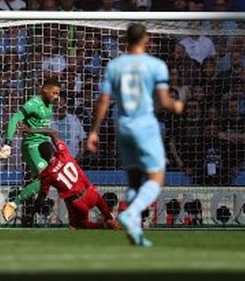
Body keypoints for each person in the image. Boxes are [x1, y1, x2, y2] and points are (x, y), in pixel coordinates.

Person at [86, 24, 184, 246]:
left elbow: (103, 100)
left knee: (133, 181)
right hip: (145, 125)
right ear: (146, 39)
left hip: (123, 126)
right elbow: (163, 100)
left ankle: (135, 234)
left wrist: (93, 131)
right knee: (156, 179)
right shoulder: (156, 65)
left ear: (125, 40)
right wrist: (176, 105)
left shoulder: (115, 65)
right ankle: (132, 213)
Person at [0, 77, 61, 221]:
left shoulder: (49, 104)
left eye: (58, 94)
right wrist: (8, 143)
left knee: (53, 178)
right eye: (54, 93)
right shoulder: (33, 103)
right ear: (45, 89)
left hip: (45, 145)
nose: (56, 97)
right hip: (32, 146)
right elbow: (14, 118)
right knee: (45, 178)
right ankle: (12, 204)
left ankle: (29, 216)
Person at [33, 130, 118, 229]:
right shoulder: (63, 153)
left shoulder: (46, 174)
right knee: (107, 216)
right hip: (91, 193)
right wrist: (33, 131)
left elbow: (42, 196)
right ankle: (113, 221)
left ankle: (104, 225)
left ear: (42, 156)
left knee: (82, 224)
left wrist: (33, 211)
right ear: (54, 150)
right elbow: (53, 133)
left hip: (78, 202)